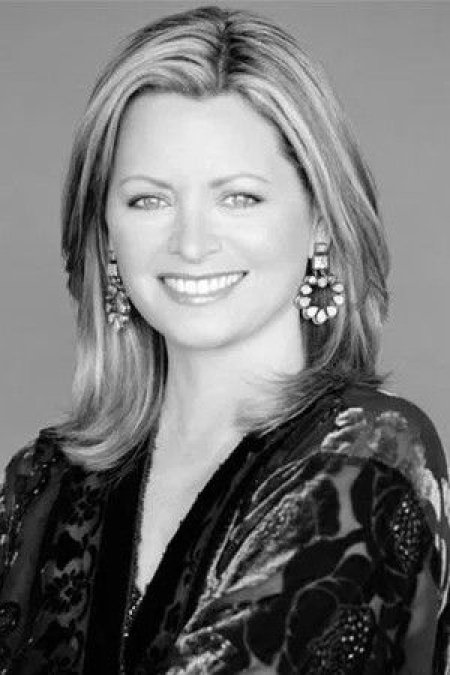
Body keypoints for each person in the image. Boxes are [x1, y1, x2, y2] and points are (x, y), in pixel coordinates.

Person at [0, 4, 448, 673]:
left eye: (239, 197)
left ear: (320, 221)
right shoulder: (40, 482)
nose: (191, 243)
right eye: (149, 199)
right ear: (106, 233)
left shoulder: (369, 457)